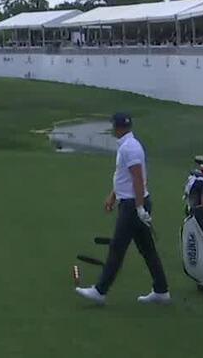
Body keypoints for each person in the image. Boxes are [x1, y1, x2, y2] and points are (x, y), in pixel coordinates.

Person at [75, 112, 171, 306]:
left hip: (132, 206)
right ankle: (161, 290)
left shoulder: (130, 148)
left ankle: (100, 291)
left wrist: (139, 207)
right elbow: (125, 176)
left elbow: (137, 178)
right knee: (147, 249)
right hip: (131, 202)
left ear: (117, 127)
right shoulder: (128, 145)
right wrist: (113, 196)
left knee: (117, 249)